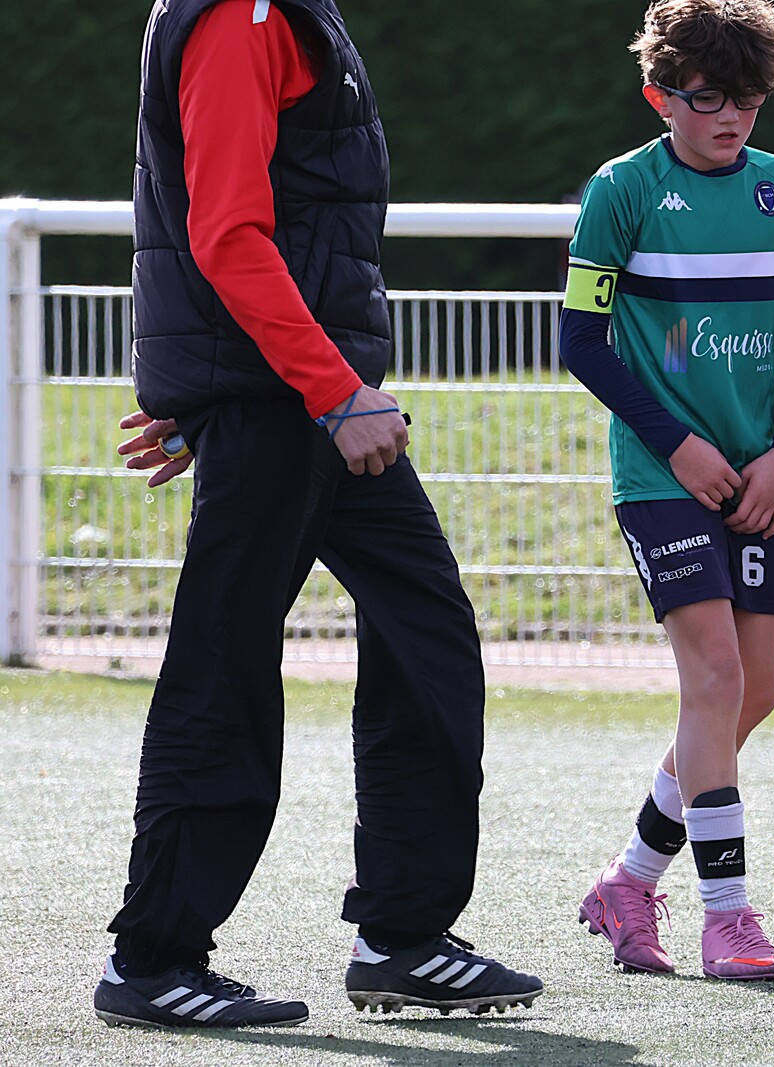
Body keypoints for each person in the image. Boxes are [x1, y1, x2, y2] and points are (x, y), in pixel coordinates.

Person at [94, 0, 543, 1029]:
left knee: (425, 630)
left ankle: (402, 935)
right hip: (294, 398)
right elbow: (223, 228)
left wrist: (250, 385)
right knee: (224, 666)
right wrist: (320, 392)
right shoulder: (241, 15)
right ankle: (152, 958)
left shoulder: (290, 12)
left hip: (300, 392)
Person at [558, 0, 774, 981]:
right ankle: (728, 916)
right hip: (662, 476)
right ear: (659, 96)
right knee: (712, 680)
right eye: (708, 98)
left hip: (755, 475)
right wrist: (676, 446)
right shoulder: (621, 189)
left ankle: (627, 879)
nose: (731, 117)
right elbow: (581, 340)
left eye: (747, 98)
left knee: (755, 689)